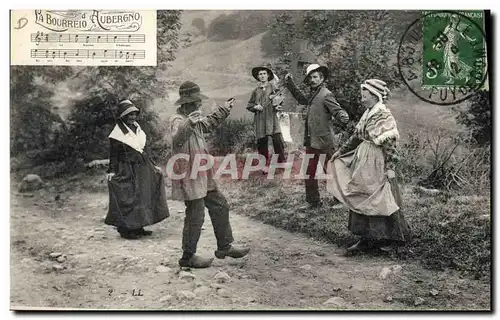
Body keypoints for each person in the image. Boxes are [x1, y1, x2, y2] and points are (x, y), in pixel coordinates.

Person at [168, 81, 250, 268]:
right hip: (189, 175)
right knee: (195, 214)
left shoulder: (195, 119)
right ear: (187, 103)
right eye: (196, 101)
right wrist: (190, 122)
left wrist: (224, 109)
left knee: (220, 204)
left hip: (203, 172)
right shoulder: (178, 120)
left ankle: (225, 246)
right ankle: (187, 257)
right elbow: (177, 138)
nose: (199, 104)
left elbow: (209, 123)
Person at [327, 79, 412, 254]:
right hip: (363, 160)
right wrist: (341, 151)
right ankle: (366, 238)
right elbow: (356, 137)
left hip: (377, 161)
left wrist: (390, 168)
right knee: (362, 195)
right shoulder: (368, 113)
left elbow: (390, 145)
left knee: (382, 196)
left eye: (364, 95)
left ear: (374, 96)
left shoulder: (382, 115)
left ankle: (390, 239)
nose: (362, 98)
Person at [285, 64, 349, 209]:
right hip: (312, 141)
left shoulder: (326, 94)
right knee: (309, 172)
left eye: (315, 77)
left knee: (331, 171)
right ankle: (313, 202)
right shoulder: (313, 93)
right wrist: (290, 84)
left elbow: (338, 111)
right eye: (310, 77)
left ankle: (340, 200)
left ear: (322, 78)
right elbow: (302, 99)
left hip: (325, 141)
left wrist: (342, 117)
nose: (312, 80)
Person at [105, 100, 170, 239]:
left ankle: (139, 226)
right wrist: (111, 171)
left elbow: (145, 150)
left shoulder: (138, 129)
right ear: (123, 116)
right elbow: (114, 154)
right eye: (129, 115)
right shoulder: (117, 134)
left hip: (142, 167)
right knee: (129, 197)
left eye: (134, 114)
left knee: (142, 196)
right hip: (126, 168)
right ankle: (126, 229)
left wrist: (153, 165)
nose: (132, 117)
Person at [247, 64, 286, 171]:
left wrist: (278, 103)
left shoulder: (273, 87)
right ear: (258, 77)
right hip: (260, 119)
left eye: (264, 73)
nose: (262, 76)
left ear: (268, 75)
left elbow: (280, 98)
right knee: (262, 142)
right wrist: (256, 106)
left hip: (272, 117)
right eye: (260, 74)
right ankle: (264, 166)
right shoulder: (256, 91)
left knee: (277, 140)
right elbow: (249, 105)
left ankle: (281, 163)